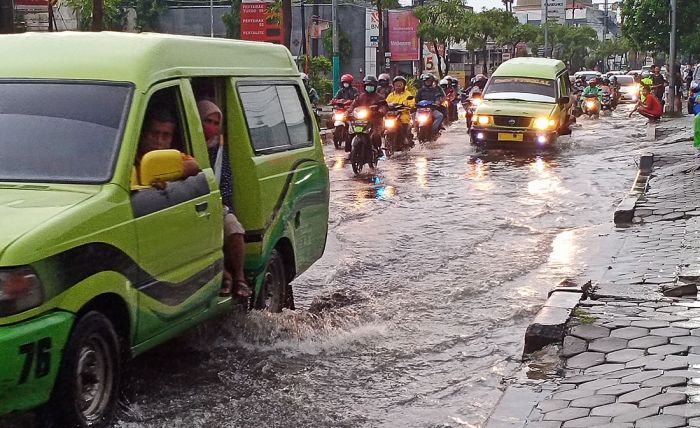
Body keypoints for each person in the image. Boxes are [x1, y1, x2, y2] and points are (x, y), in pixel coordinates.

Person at [196, 100, 252, 298]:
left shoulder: (220, 150)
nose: (211, 127)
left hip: (217, 205)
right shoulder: (187, 145)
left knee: (234, 229)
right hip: (191, 207)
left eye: (215, 122)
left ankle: (238, 277)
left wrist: (221, 205)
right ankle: (223, 274)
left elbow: (226, 183)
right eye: (206, 121)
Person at [136, 107, 200, 188]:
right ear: (143, 134)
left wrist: (163, 175)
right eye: (154, 134)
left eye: (166, 135)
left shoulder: (170, 157)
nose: (159, 140)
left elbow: (193, 165)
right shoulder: (129, 156)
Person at [350, 75, 386, 153]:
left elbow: (383, 107)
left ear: (375, 86)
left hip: (375, 121)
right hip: (361, 122)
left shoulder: (380, 97)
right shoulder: (360, 97)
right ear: (365, 86)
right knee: (350, 132)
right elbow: (353, 106)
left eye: (371, 86)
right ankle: (351, 151)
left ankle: (378, 149)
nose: (369, 87)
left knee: (375, 135)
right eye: (368, 85)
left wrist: (380, 112)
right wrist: (348, 113)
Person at [385, 75, 416, 149]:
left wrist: (408, 106)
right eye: (396, 85)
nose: (398, 86)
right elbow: (386, 103)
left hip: (403, 116)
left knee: (404, 126)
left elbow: (411, 103)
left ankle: (405, 139)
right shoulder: (391, 95)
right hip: (392, 116)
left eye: (400, 84)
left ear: (403, 85)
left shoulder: (408, 94)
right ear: (393, 86)